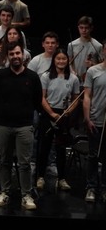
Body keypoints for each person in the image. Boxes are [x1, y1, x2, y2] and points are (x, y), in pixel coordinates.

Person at [0, 41, 42, 210]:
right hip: (3, 125)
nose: (15, 56)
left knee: (24, 163)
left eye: (17, 53)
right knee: (5, 161)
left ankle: (26, 195)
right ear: (8, 56)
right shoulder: (0, 76)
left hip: (24, 126)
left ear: (23, 55)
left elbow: (37, 101)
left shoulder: (32, 77)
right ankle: (4, 192)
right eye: (11, 54)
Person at [36, 49, 79, 192]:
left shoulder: (73, 78)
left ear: (67, 61)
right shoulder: (46, 76)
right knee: (44, 147)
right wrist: (51, 113)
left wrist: (69, 112)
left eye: (64, 59)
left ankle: (62, 179)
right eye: (58, 59)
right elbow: (42, 97)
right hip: (49, 113)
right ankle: (40, 177)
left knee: (61, 149)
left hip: (64, 114)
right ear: (54, 60)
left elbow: (75, 99)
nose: (61, 61)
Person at [83, 43, 106, 203]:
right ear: (103, 50)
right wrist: (87, 118)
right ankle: (91, 187)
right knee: (92, 156)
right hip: (95, 120)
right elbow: (87, 96)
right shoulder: (93, 71)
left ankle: (104, 188)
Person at [67, 16, 103, 82]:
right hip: (76, 79)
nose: (84, 30)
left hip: (93, 80)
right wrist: (72, 72)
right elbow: (69, 62)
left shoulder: (98, 46)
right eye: (81, 28)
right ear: (78, 28)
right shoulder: (71, 45)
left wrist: (92, 64)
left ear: (91, 28)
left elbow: (102, 66)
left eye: (86, 28)